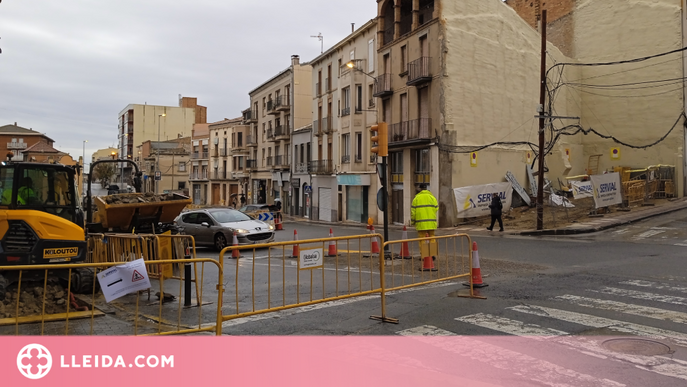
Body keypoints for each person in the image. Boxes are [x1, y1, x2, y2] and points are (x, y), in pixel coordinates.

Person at [411, 183, 439, 258]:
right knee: (432, 237)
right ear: (426, 188)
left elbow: (413, 212)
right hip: (431, 223)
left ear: (420, 189)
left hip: (421, 223)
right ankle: (432, 254)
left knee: (422, 239)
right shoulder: (432, 197)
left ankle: (424, 255)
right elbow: (436, 208)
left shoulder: (416, 198)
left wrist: (413, 222)